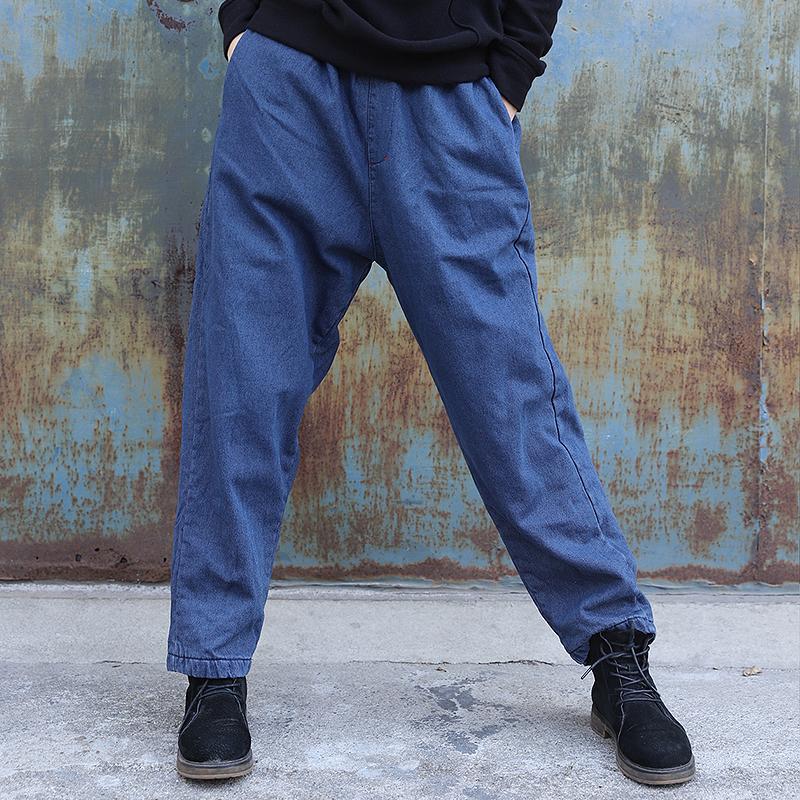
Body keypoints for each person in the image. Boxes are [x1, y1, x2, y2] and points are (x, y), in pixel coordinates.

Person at [167, 0, 695, 786]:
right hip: (288, 87)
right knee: (241, 383)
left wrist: (512, 68)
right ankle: (213, 670)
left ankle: (615, 650)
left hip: (449, 100)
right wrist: (245, 24)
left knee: (510, 393)